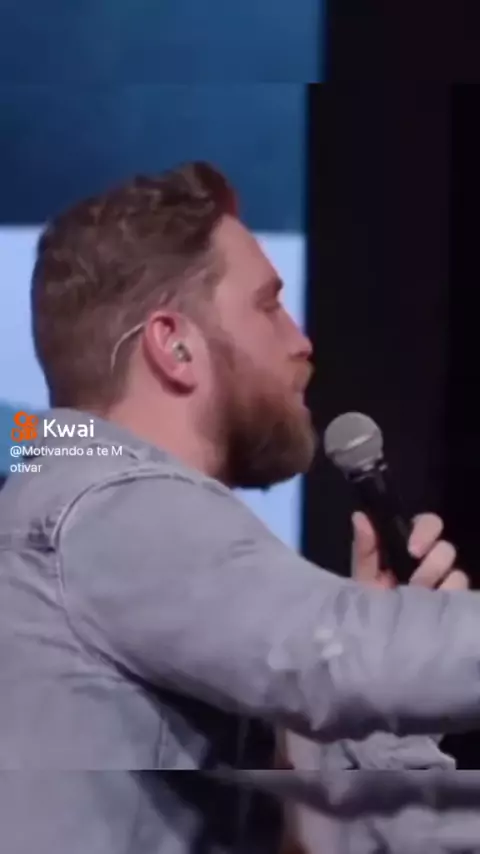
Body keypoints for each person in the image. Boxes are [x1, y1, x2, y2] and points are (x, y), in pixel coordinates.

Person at [0, 161, 478, 854]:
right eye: (268, 305)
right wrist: (378, 642)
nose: (301, 340)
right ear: (174, 345)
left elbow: (395, 833)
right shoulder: (106, 505)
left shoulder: (111, 541)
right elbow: (336, 664)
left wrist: (384, 671)